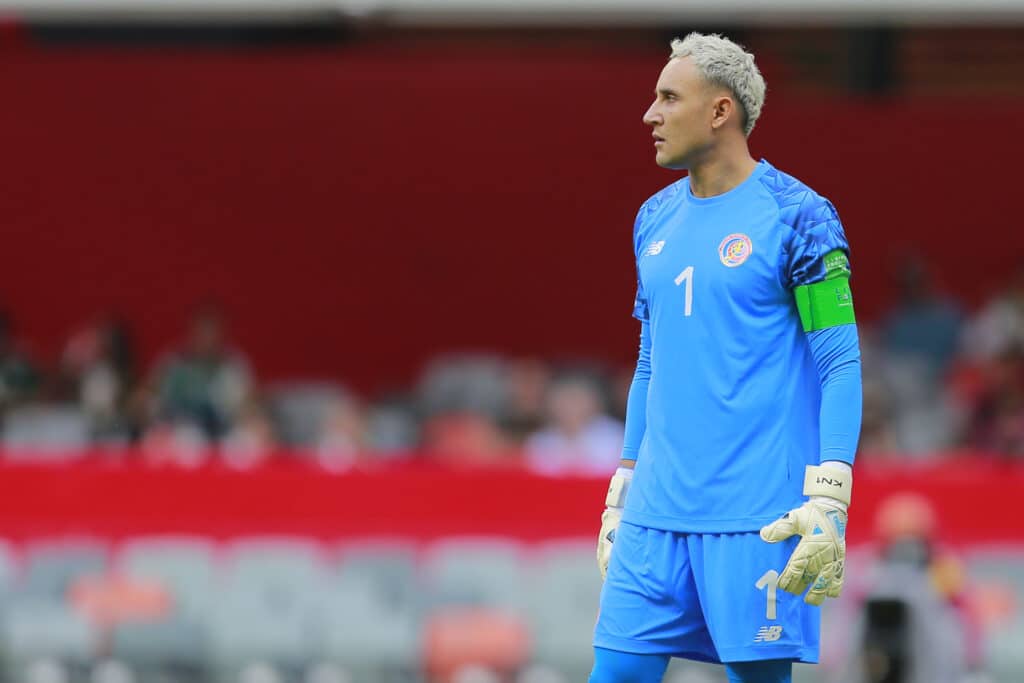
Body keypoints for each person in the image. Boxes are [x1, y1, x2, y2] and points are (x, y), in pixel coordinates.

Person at [591, 34, 863, 683]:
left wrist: (830, 498)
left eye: (667, 97)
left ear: (720, 111)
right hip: (654, 519)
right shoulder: (652, 218)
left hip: (757, 520)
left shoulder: (800, 216)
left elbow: (841, 364)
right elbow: (651, 361)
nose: (649, 115)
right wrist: (621, 488)